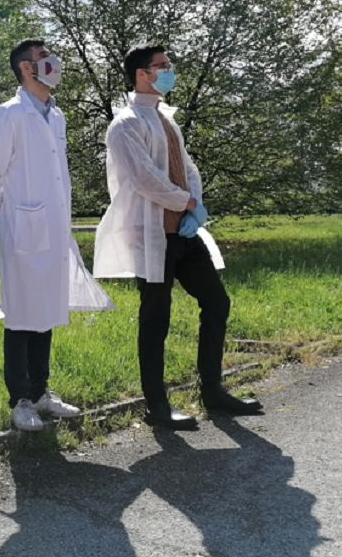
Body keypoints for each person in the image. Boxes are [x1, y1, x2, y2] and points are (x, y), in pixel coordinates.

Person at [93, 43, 263, 430]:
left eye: (169, 64)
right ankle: (157, 405)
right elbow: (144, 178)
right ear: (141, 74)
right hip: (151, 233)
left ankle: (213, 392)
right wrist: (186, 202)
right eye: (162, 65)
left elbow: (188, 169)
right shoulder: (125, 124)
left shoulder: (166, 119)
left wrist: (195, 204)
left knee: (217, 302)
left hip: (183, 232)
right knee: (156, 317)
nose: (169, 71)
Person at [0, 39, 113, 432]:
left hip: (52, 229)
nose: (53, 61)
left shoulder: (56, 115)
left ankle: (40, 393)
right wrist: (8, 215)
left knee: (46, 312)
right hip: (23, 228)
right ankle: (19, 400)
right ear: (25, 68)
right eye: (43, 57)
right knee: (21, 315)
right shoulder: (9, 114)